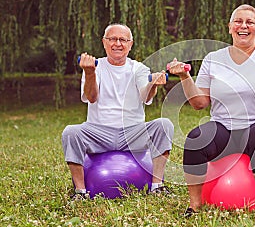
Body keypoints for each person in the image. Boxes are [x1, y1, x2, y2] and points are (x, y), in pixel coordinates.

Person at [168, 4, 255, 219]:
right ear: (230, 27)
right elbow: (199, 103)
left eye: (250, 22)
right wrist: (185, 77)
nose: (244, 26)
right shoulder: (213, 59)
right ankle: (194, 204)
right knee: (196, 138)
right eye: (238, 22)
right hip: (226, 129)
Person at [62, 23, 174, 200]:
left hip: (132, 133)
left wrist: (153, 84)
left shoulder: (138, 68)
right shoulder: (95, 66)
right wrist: (90, 72)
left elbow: (145, 96)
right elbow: (91, 97)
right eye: (112, 39)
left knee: (164, 125)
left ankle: (157, 186)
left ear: (130, 44)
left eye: (123, 40)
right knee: (71, 132)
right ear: (104, 42)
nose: (118, 44)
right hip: (99, 131)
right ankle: (80, 191)